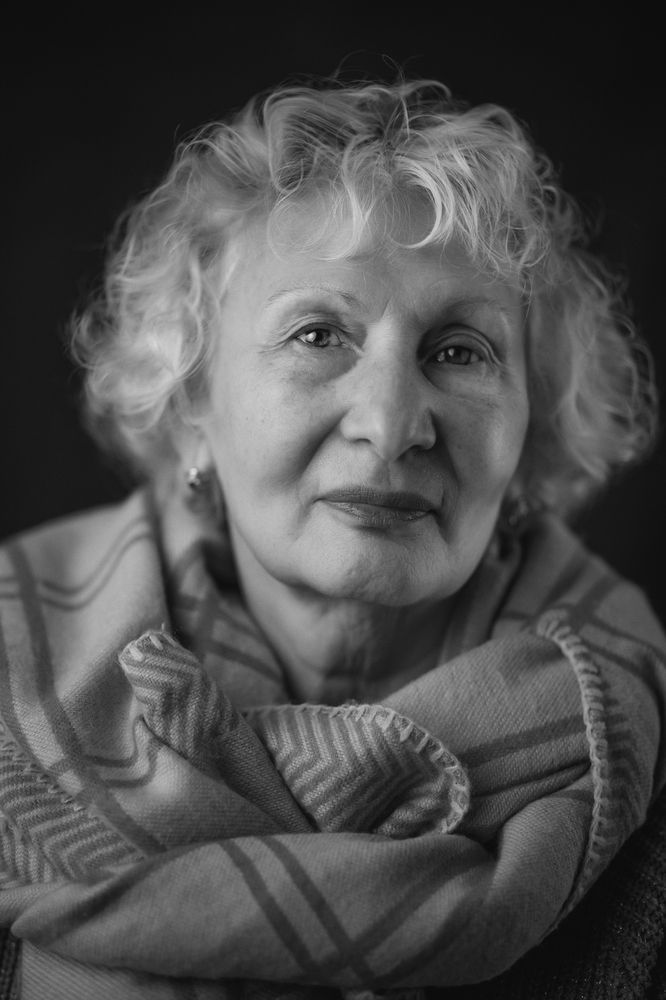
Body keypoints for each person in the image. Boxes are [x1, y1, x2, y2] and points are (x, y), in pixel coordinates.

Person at [0, 74, 664, 1000]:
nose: (390, 425)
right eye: (318, 335)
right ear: (191, 404)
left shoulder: (641, 769)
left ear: (533, 429)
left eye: (459, 351)